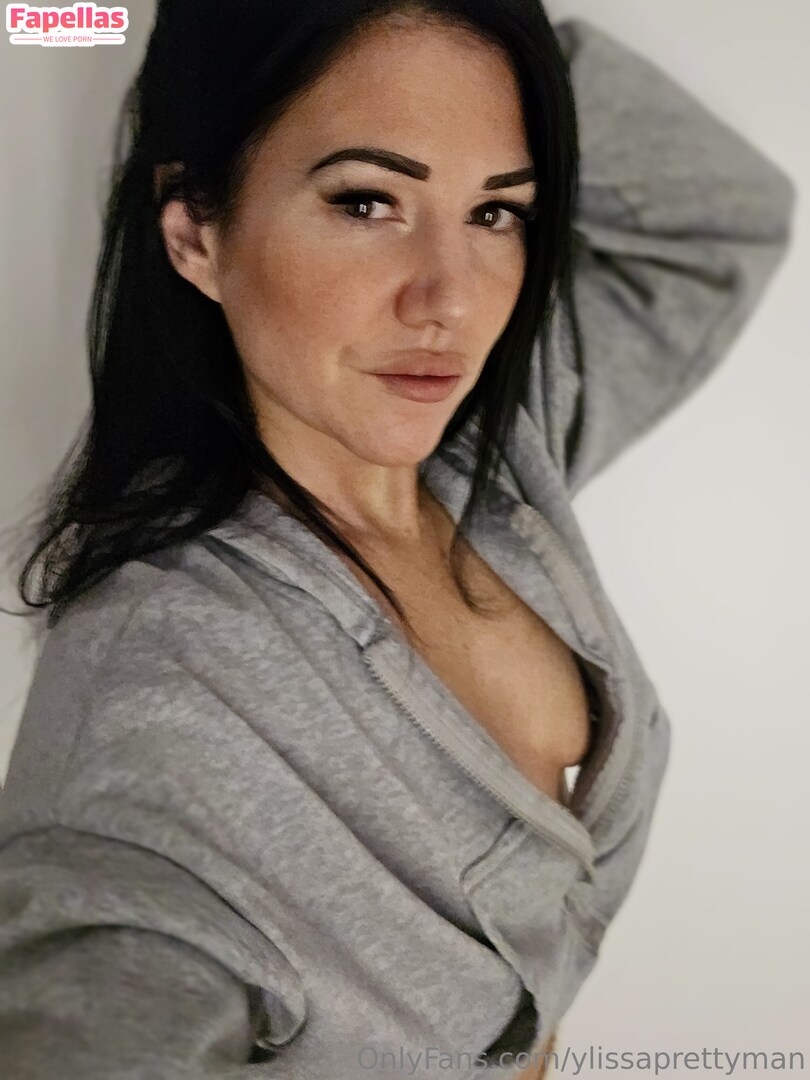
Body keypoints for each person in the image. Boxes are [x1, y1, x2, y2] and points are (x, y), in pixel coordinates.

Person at [0, 1, 796, 1077]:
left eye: (495, 212)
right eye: (367, 201)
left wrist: (482, 36)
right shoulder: (149, 715)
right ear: (193, 232)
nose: (451, 304)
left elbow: (717, 217)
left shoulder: (499, 449)